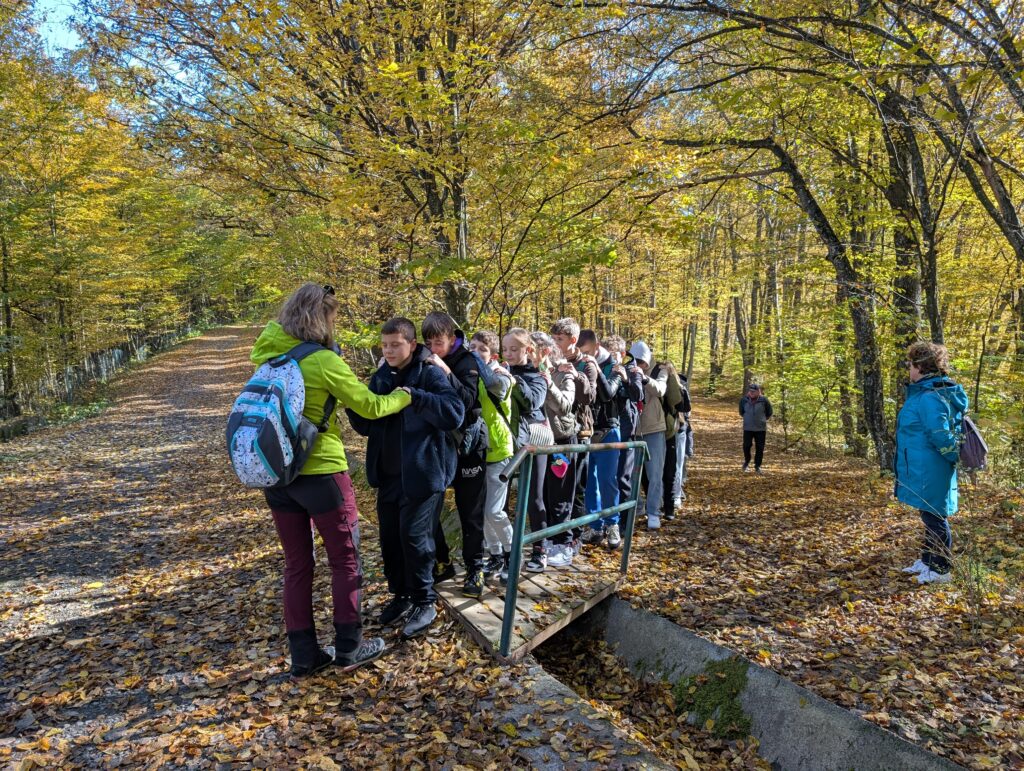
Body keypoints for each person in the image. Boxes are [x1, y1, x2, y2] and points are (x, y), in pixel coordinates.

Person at [251, 283, 410, 678]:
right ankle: (349, 646)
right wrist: (405, 395)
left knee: (297, 565)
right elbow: (370, 406)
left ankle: (303, 655)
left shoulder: (267, 354)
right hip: (321, 473)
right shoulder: (322, 361)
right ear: (321, 319)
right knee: (346, 560)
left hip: (277, 474)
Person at [346, 317, 464, 640]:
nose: (389, 351)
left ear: (412, 344)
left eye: (396, 345)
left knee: (415, 538)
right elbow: (367, 423)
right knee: (391, 540)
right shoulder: (382, 374)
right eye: (385, 345)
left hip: (424, 476)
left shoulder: (430, 371)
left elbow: (455, 412)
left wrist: (416, 397)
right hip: (388, 476)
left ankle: (425, 599)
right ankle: (401, 596)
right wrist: (350, 403)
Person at [421, 312, 488, 599]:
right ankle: (443, 562)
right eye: (429, 343)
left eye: (439, 342)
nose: (434, 348)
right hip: (437, 446)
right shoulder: (422, 360)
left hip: (469, 446)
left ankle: (475, 568)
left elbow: (468, 401)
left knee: (470, 511)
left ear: (452, 338)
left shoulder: (467, 361)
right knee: (427, 508)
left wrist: (445, 371)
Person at [895, 342, 967, 585]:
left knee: (935, 518)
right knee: (929, 516)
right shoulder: (926, 392)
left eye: (911, 365)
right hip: (923, 465)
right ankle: (927, 561)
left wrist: (953, 458)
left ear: (921, 367)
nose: (909, 369)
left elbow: (940, 434)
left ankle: (940, 569)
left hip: (930, 467)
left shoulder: (929, 397)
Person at [468, 330, 515, 583]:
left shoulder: (502, 376)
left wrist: (475, 362)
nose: (474, 352)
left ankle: (512, 554)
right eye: (471, 347)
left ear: (493, 355)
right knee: (482, 510)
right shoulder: (472, 376)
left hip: (500, 451)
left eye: (481, 349)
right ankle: (495, 553)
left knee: (494, 511)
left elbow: (496, 389)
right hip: (479, 451)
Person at [503, 328, 550, 572]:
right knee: (501, 500)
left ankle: (540, 548)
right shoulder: (500, 370)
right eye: (505, 349)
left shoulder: (537, 375)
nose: (508, 354)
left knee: (534, 496)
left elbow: (533, 401)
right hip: (504, 441)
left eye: (514, 349)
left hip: (532, 442)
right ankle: (504, 551)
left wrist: (512, 380)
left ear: (528, 350)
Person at [550, 318, 597, 553]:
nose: (555, 343)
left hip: (580, 431)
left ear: (573, 340)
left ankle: (574, 535)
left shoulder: (586, 363)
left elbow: (590, 397)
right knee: (554, 488)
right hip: (555, 432)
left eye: (560, 339)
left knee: (575, 486)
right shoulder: (550, 360)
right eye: (554, 339)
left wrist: (575, 375)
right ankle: (554, 534)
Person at [532, 331, 578, 568]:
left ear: (546, 352)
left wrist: (548, 380)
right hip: (540, 443)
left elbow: (565, 406)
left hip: (562, 441)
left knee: (561, 497)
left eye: (534, 350)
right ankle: (547, 540)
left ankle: (564, 544)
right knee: (544, 497)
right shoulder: (528, 372)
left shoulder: (565, 374)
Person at [579, 331, 627, 549]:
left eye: (586, 352)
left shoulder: (614, 367)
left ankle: (612, 524)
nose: (584, 356)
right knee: (590, 483)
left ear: (596, 347)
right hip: (587, 431)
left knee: (608, 481)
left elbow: (608, 394)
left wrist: (598, 371)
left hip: (609, 430)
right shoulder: (579, 364)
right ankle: (595, 525)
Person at [631, 341, 669, 529]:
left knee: (655, 473)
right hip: (632, 429)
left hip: (654, 428)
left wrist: (644, 378)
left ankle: (653, 512)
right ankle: (636, 505)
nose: (638, 365)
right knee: (630, 474)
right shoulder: (626, 368)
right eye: (635, 360)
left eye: (642, 362)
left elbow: (661, 389)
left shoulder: (660, 371)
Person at [661, 362, 691, 518]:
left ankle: (675, 496)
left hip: (676, 429)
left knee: (675, 465)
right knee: (666, 467)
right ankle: (668, 498)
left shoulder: (680, 386)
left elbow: (686, 409)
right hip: (660, 430)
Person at [739, 383, 772, 473]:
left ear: (758, 391)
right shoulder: (744, 400)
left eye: (754, 391)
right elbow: (741, 412)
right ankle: (747, 462)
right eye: (750, 391)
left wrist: (761, 420)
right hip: (748, 428)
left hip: (760, 429)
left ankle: (757, 466)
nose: (751, 393)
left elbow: (769, 413)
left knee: (760, 448)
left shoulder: (764, 400)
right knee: (746, 446)